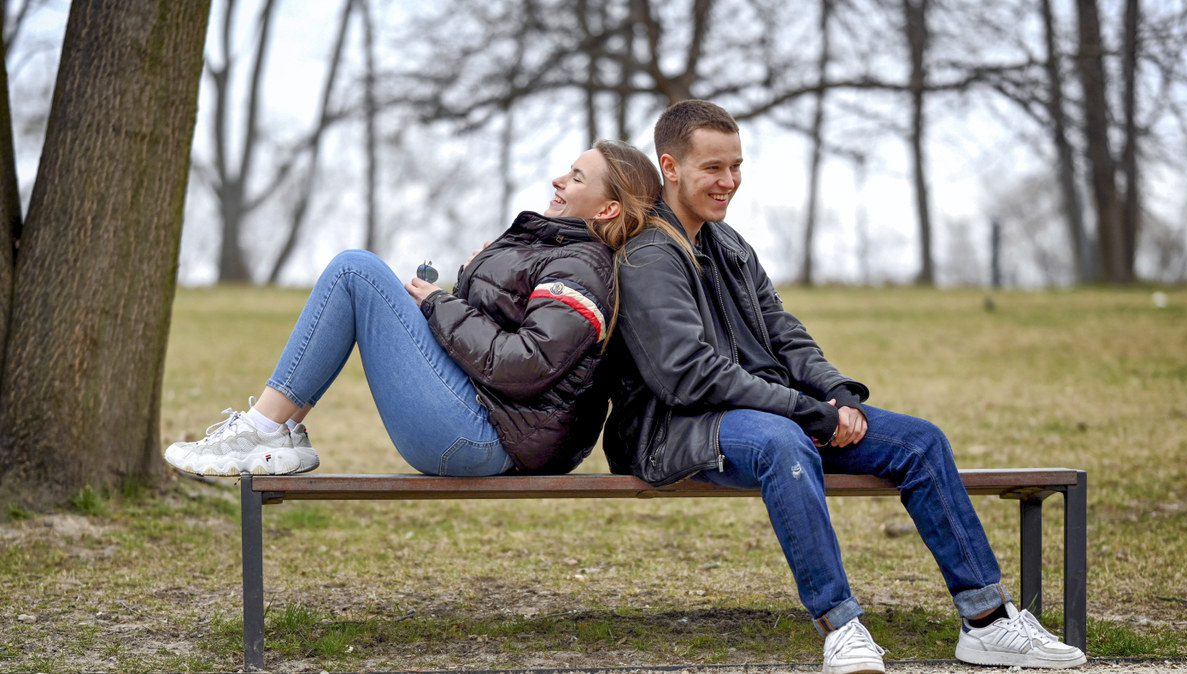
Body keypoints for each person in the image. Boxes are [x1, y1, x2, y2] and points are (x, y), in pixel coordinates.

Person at [602, 100, 1086, 673]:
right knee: (784, 444)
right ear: (671, 167)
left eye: (736, 165)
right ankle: (841, 627)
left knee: (920, 442)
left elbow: (785, 333)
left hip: (771, 412)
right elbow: (689, 375)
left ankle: (986, 621)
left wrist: (837, 396)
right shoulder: (650, 255)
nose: (728, 181)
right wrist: (810, 414)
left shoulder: (727, 244)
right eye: (713, 168)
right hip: (678, 427)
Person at [166, 139, 661, 478]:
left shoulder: (583, 268)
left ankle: (262, 430)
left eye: (576, 177)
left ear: (607, 209)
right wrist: (467, 291)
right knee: (357, 277)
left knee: (356, 270)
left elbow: (523, 364)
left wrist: (440, 304)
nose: (558, 179)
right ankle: (279, 433)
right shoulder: (563, 254)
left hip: (488, 439)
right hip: (488, 423)